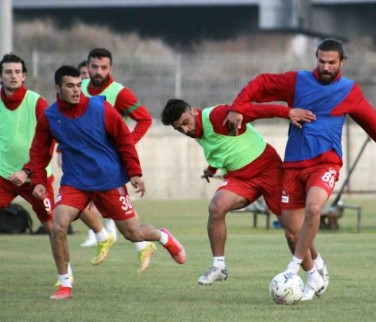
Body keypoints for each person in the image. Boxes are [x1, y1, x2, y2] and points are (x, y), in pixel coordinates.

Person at [228, 38, 376, 301]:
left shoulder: (349, 90)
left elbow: (370, 120)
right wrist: (238, 107)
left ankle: (292, 270)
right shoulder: (297, 82)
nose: (326, 67)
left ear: (342, 62)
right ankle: (316, 271)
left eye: (331, 62)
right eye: (321, 61)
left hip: (325, 162)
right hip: (294, 164)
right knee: (291, 230)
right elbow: (261, 83)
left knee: (314, 208)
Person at [26, 65, 186, 300]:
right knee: (58, 225)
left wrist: (135, 173)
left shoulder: (101, 108)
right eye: (70, 86)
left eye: (79, 85)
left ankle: (163, 237)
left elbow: (124, 140)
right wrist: (38, 180)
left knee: (133, 234)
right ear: (58, 88)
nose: (76, 91)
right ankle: (64, 284)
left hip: (108, 180)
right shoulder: (50, 117)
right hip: (75, 183)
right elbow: (38, 151)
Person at [160, 98, 321, 286]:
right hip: (241, 179)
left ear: (193, 111)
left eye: (185, 123)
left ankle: (317, 266)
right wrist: (211, 169)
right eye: (179, 129)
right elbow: (223, 146)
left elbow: (255, 110)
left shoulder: (217, 115)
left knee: (293, 229)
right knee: (216, 207)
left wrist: (288, 113)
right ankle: (218, 266)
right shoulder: (196, 130)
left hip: (268, 170)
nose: (185, 130)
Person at [78, 48, 155, 274]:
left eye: (104, 67)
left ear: (111, 69)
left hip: (107, 163)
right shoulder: (78, 88)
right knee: (76, 203)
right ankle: (104, 237)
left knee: (117, 210)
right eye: (95, 67)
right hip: (82, 160)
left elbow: (145, 119)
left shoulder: (118, 92)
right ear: (87, 67)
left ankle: (142, 243)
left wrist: (126, 144)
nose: (99, 71)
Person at [0, 53, 55, 237]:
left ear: (24, 76)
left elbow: (50, 140)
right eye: (8, 72)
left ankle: (65, 267)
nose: (13, 76)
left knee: (52, 226)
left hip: (36, 177)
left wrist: (27, 171)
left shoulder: (37, 103)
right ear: (1, 77)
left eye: (17, 72)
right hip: (4, 176)